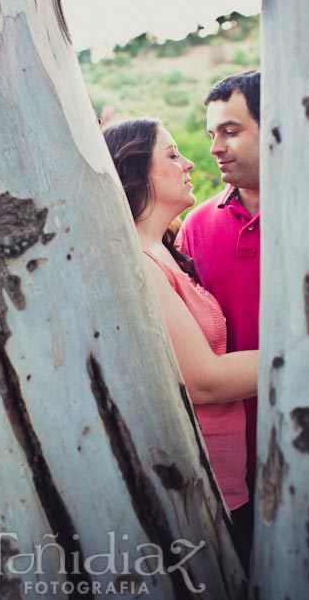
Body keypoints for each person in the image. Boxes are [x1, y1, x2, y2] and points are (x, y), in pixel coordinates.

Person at [104, 118, 258, 561]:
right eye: (172, 155)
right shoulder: (139, 262)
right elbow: (203, 380)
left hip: (226, 477)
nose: (190, 162)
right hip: (196, 484)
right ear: (134, 172)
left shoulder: (163, 252)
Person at [177, 71, 260, 492]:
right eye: (213, 133)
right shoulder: (197, 225)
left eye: (231, 131)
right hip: (227, 462)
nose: (215, 148)